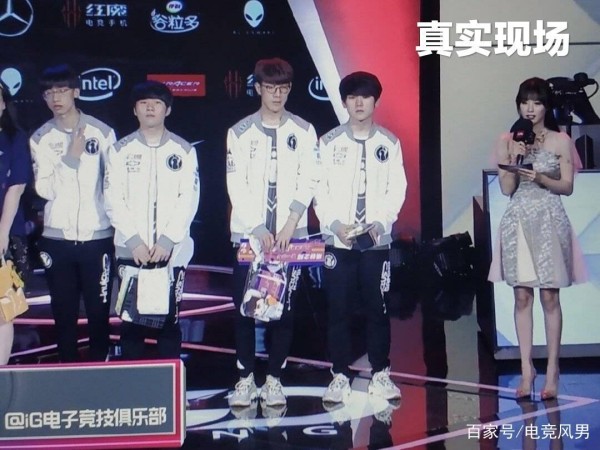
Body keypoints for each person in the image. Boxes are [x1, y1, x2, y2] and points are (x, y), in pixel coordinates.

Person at [226, 58, 319, 410]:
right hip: (249, 236)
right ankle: (245, 379)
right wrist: (257, 227)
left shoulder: (304, 130)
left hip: (291, 236)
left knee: (284, 308)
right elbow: (237, 184)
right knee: (245, 308)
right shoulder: (239, 132)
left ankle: (275, 380)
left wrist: (291, 223)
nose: (276, 95)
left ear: (289, 90)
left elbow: (310, 178)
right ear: (259, 89)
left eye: (282, 88)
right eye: (270, 88)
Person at [488, 77, 586, 400]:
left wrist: (541, 177)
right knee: (522, 297)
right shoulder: (508, 140)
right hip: (518, 220)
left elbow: (567, 187)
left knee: (550, 298)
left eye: (537, 102)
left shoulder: (560, 140)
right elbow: (506, 188)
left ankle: (553, 369)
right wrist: (515, 160)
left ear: (546, 106)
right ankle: (526, 369)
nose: (530, 109)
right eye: (524, 102)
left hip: (549, 219)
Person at [314, 71, 405, 405]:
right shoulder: (328, 142)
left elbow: (397, 188)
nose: (359, 103)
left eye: (365, 97)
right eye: (352, 97)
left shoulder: (389, 143)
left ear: (375, 101)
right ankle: (339, 375)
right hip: (338, 241)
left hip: (375, 242)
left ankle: (380, 373)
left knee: (377, 308)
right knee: (337, 309)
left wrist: (381, 223)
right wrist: (335, 224)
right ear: (344, 102)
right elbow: (319, 188)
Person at [104, 80, 199, 360]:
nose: (150, 108)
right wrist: (134, 241)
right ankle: (133, 382)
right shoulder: (119, 150)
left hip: (172, 252)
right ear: (134, 109)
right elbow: (113, 198)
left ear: (167, 110)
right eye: (144, 103)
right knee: (131, 323)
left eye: (156, 103)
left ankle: (169, 380)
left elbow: (189, 199)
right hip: (131, 250)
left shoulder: (184, 150)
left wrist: (168, 240)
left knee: (169, 322)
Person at [30, 64, 116, 362]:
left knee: (98, 312)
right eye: (49, 93)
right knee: (63, 313)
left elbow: (113, 184)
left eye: (62, 90)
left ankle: (100, 369)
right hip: (57, 240)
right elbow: (45, 189)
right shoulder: (41, 138)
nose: (55, 98)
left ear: (76, 92)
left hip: (97, 238)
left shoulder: (102, 132)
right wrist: (71, 160)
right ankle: (66, 371)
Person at [0, 81, 32, 365]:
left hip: (5, 235)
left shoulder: (14, 138)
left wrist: (2, 234)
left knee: (2, 309)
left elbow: (17, 186)